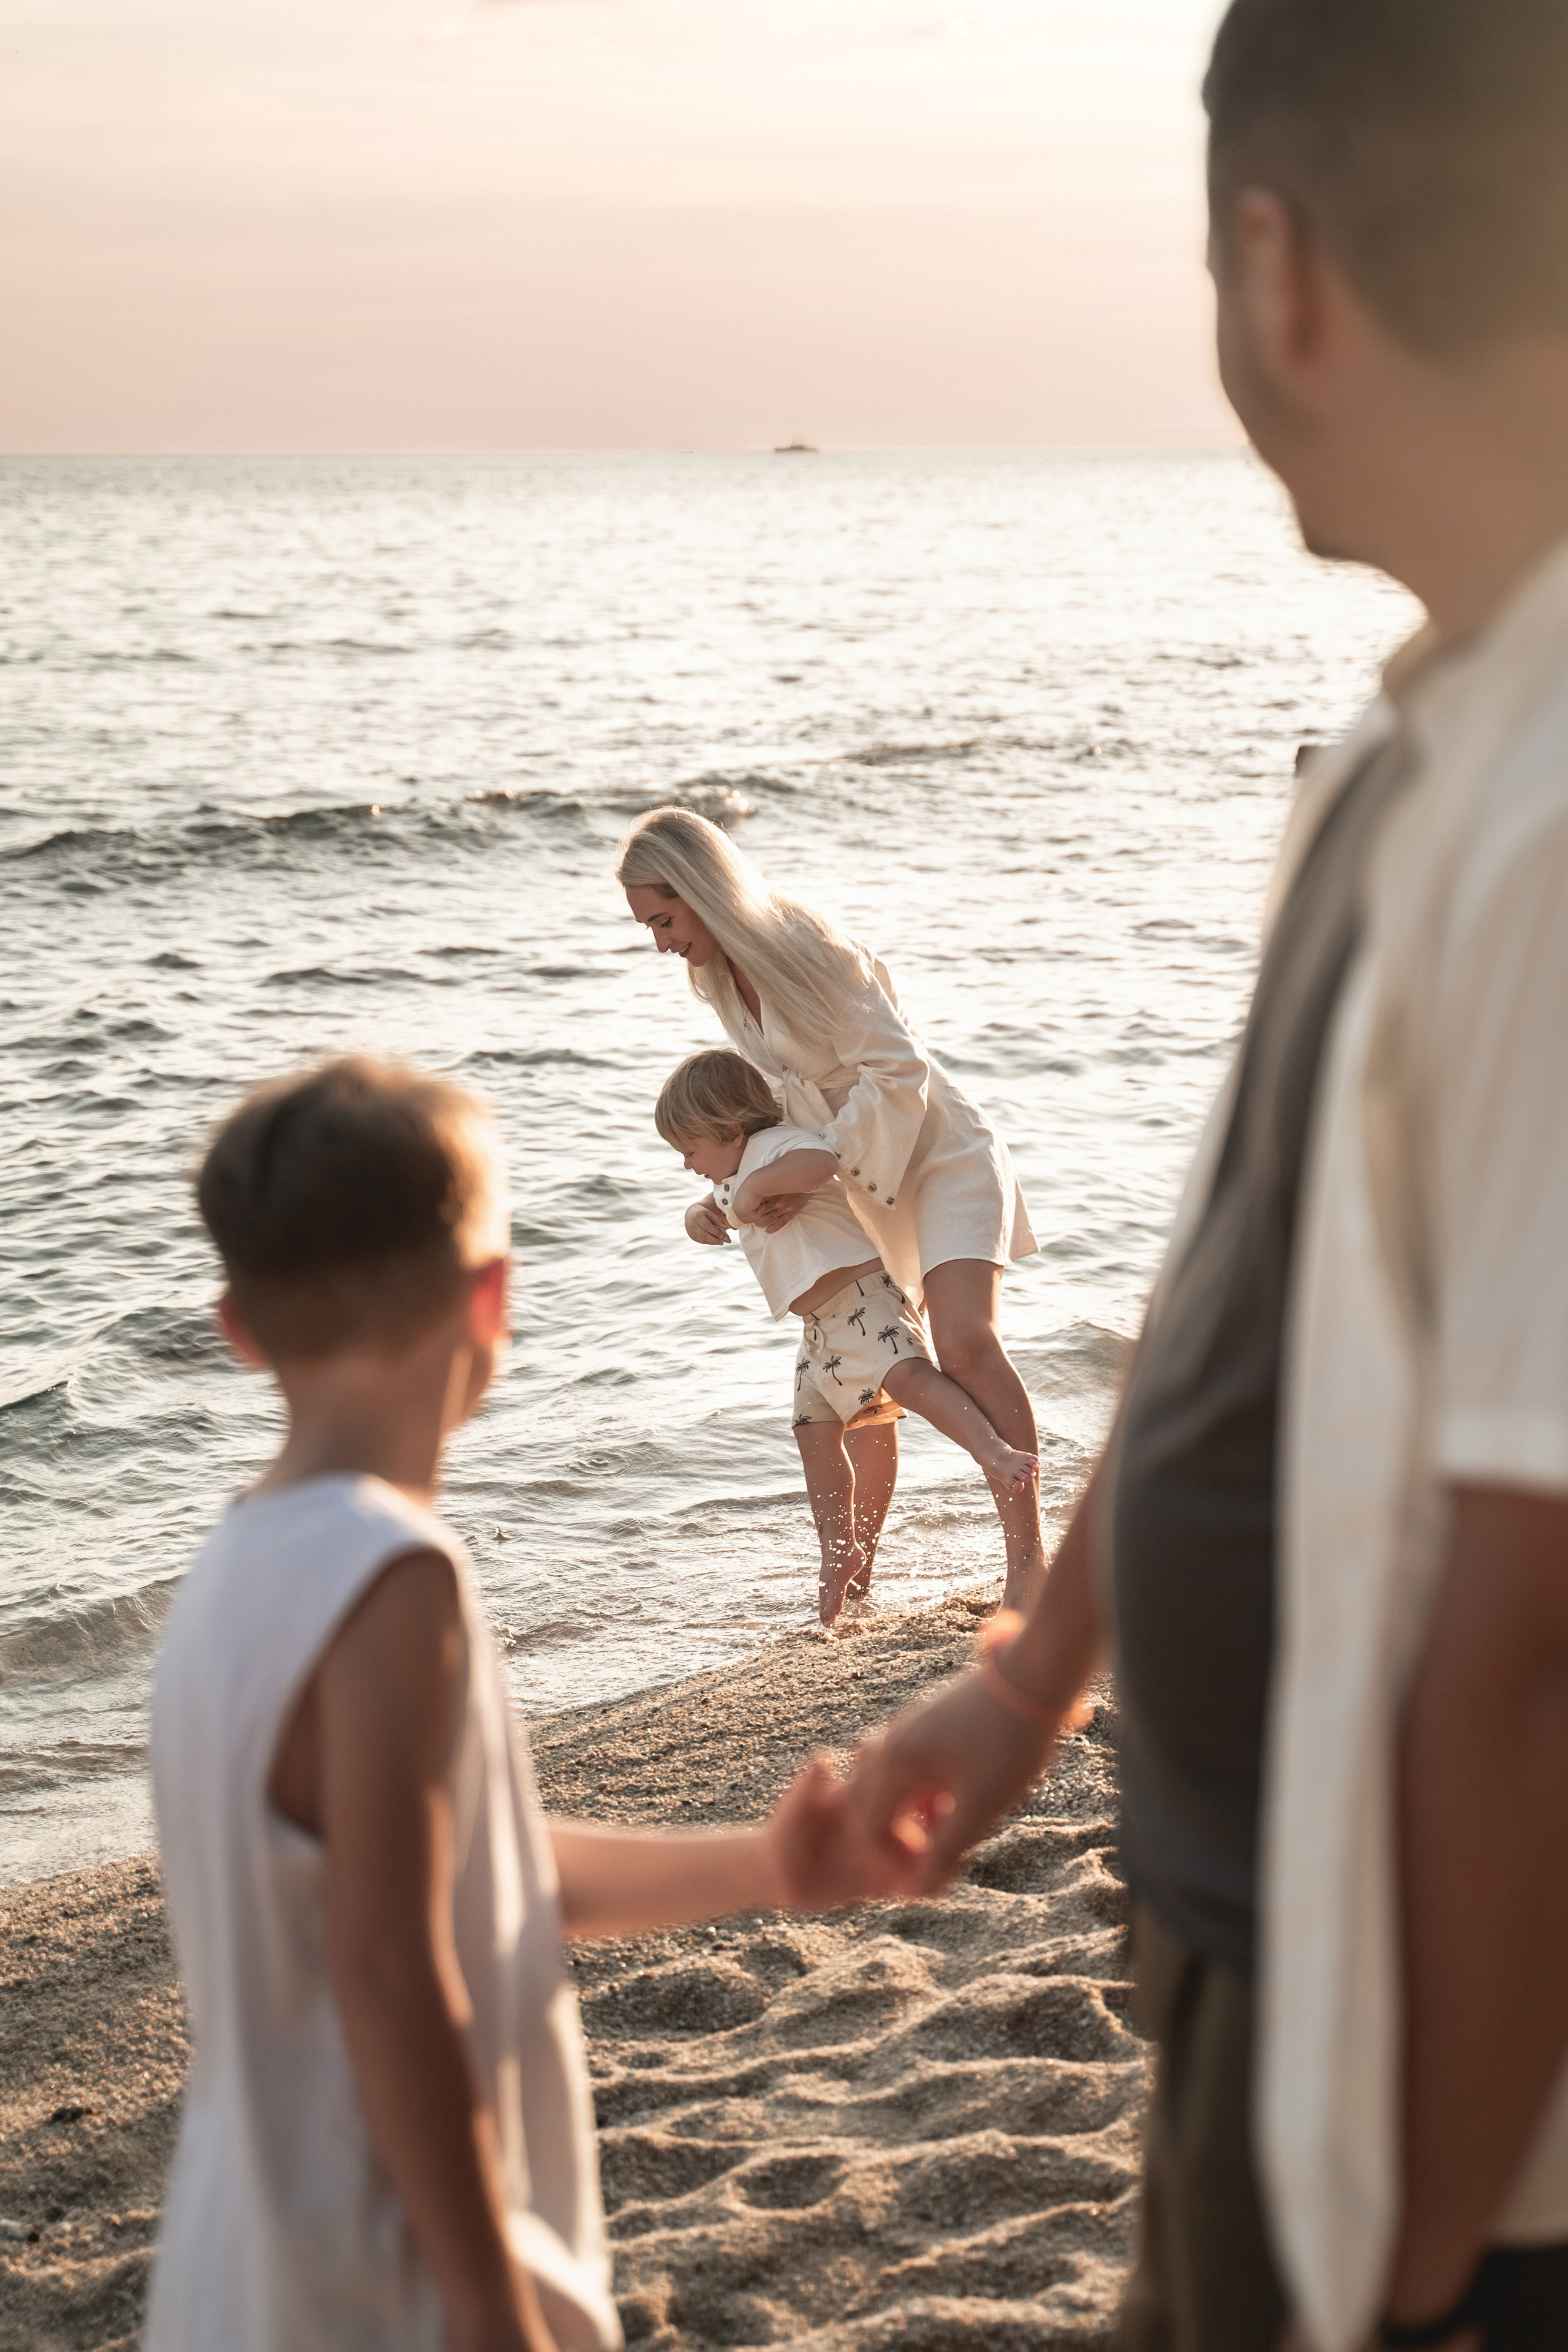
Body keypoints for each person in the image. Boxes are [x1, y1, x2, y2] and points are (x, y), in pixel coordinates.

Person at [849, 3, 1568, 2348]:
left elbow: (1530, 1633)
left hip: (1436, 2079)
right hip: (1243, 1941)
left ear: (1272, 269)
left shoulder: (1547, 824)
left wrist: (1419, 2258)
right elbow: (1238, 1295)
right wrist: (1024, 1683)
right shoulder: (1407, 740)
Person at [146, 1057, 915, 2352]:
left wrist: (766, 1863)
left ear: (238, 1329)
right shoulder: (392, 1579)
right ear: (491, 1301)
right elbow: (391, 1967)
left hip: (243, 2251)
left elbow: (471, 1872)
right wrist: (493, 2303)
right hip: (389, 2268)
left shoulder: (227, 1574)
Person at [618, 805, 1044, 1611]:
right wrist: (763, 1186)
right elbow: (770, 1102)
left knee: (964, 1342)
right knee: (867, 1379)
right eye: (650, 925)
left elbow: (899, 1070)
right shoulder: (714, 979)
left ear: (704, 890)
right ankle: (859, 1579)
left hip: (937, 1152)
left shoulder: (805, 946)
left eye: (667, 918)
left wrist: (814, 1167)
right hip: (852, 1182)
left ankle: (1031, 1569)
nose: (662, 941)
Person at [654, 1047, 1039, 1626]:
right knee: (814, 1432)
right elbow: (714, 1204)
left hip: (864, 1302)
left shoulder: (774, 1147)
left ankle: (992, 1450)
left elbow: (822, 1162)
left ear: (731, 1131)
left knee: (910, 1378)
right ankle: (841, 1547)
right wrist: (695, 1214)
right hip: (818, 1333)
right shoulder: (735, 1179)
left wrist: (760, 1181)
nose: (687, 1164)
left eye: (689, 1151)